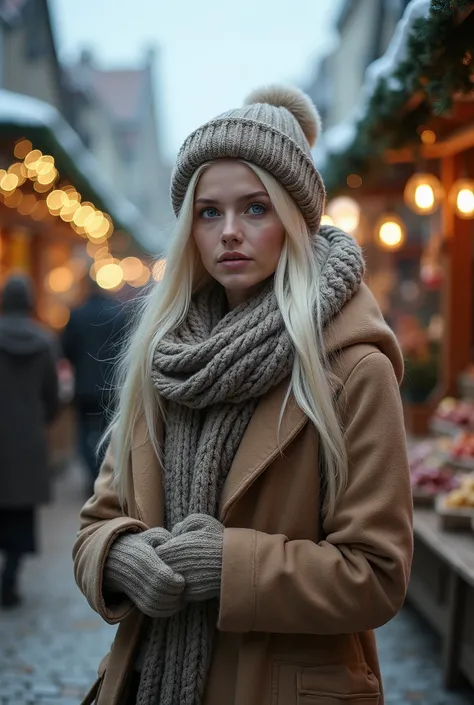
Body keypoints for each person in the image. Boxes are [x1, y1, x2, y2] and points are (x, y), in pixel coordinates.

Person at [73, 86, 413, 705]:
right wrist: (119, 556)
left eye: (255, 208)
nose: (230, 232)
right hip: (151, 681)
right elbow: (97, 520)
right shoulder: (162, 360)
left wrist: (228, 567)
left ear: (294, 219)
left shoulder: (353, 366)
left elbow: (377, 574)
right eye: (209, 212)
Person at [0, 275, 59, 608]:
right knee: (21, 515)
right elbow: (52, 394)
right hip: (27, 439)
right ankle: (10, 578)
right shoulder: (44, 341)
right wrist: (40, 420)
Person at [62, 279, 127, 495]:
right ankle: (106, 477)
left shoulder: (76, 315)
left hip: (83, 388)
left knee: (84, 434)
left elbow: (66, 351)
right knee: (108, 434)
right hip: (111, 387)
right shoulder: (117, 314)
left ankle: (92, 476)